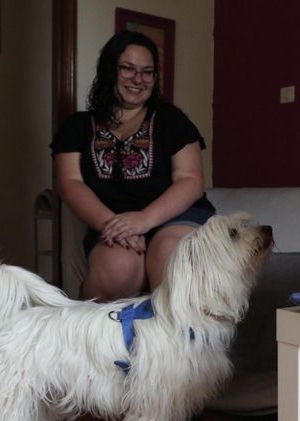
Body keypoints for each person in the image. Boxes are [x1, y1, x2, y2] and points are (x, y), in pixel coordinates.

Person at [50, 31, 214, 301]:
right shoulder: (77, 126)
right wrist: (115, 225)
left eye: (147, 72)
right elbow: (70, 185)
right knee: (119, 270)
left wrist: (144, 220)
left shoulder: (171, 120)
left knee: (171, 256)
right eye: (127, 69)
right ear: (109, 71)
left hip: (175, 218)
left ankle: (174, 342)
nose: (138, 79)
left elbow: (191, 181)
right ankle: (96, 339)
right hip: (113, 222)